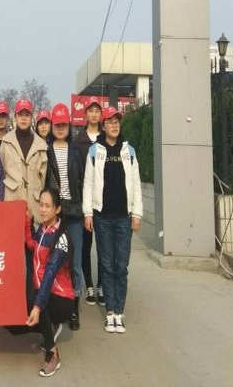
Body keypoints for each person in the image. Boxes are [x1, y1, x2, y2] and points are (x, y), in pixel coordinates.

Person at [83, 106, 143, 335]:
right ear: (103, 126)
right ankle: (110, 311)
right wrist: (88, 213)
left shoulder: (129, 151)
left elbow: (136, 183)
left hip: (123, 218)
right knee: (107, 265)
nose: (114, 125)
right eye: (110, 122)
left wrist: (136, 214)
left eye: (117, 121)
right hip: (102, 218)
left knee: (122, 266)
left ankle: (120, 310)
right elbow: (88, 184)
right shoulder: (94, 151)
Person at [11, 188, 75, 378]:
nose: (43, 210)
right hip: (44, 293)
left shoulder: (61, 238)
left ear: (57, 209)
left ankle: (52, 353)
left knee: (37, 304)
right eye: (41, 205)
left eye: (48, 206)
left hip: (62, 299)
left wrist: (37, 307)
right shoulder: (43, 229)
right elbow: (32, 244)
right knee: (13, 328)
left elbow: (49, 274)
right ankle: (50, 327)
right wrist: (27, 220)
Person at [45, 103, 85, 331]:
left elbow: (83, 178)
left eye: (63, 124)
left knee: (75, 262)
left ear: (69, 126)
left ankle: (74, 310)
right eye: (57, 124)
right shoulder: (46, 149)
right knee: (55, 261)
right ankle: (56, 304)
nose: (60, 128)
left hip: (75, 212)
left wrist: (84, 209)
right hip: (56, 212)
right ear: (52, 126)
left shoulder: (76, 149)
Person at [0, 98, 48, 220]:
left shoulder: (41, 145)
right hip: (12, 200)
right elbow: (2, 172)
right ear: (15, 117)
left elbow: (43, 178)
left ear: (32, 117)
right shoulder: (6, 142)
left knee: (34, 231)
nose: (23, 118)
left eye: (27, 115)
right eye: (20, 114)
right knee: (12, 231)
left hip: (34, 203)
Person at [77, 97, 105, 306]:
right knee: (85, 246)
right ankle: (88, 285)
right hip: (84, 200)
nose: (94, 114)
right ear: (86, 113)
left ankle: (102, 285)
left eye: (97, 111)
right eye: (91, 110)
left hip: (104, 201)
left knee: (103, 246)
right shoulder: (79, 139)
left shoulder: (107, 138)